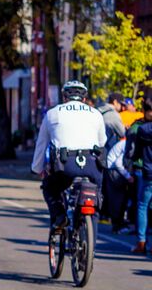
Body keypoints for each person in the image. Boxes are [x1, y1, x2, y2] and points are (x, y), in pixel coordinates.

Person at [31, 80, 107, 233]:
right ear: (84, 99)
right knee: (95, 199)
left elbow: (41, 144)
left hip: (66, 165)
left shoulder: (53, 113)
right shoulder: (96, 114)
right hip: (92, 165)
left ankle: (60, 217)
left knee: (50, 187)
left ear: (64, 97)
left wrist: (36, 168)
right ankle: (90, 246)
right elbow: (102, 142)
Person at [125, 102, 152, 254]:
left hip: (147, 171)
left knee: (142, 206)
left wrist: (132, 164)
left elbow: (136, 151)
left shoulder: (142, 129)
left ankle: (141, 242)